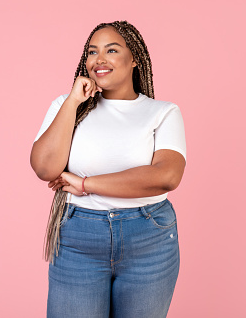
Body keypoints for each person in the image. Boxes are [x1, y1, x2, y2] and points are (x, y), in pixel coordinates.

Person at [30, 20, 186, 318]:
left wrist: (85, 184)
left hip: (148, 237)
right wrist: (74, 100)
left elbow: (166, 176)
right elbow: (44, 167)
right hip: (78, 236)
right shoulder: (67, 106)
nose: (98, 60)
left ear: (134, 59)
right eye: (91, 52)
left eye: (111, 50)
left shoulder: (162, 112)